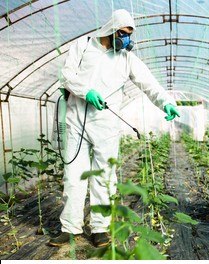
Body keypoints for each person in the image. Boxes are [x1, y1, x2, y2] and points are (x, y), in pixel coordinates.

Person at [49, 9, 180, 247]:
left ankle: (99, 229)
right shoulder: (83, 46)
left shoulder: (126, 58)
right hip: (76, 121)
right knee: (73, 178)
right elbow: (66, 75)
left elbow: (149, 84)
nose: (127, 39)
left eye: (130, 34)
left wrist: (167, 103)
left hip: (106, 125)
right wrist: (85, 91)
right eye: (123, 33)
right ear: (111, 29)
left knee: (104, 178)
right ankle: (70, 228)